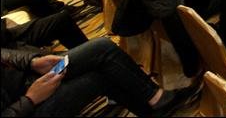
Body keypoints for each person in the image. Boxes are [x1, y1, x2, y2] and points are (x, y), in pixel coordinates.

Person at [1, 37, 195, 117]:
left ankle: (154, 99)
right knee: (100, 76)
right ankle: (155, 104)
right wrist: (30, 99)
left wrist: (32, 62)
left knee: (102, 48)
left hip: (22, 78)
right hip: (25, 106)